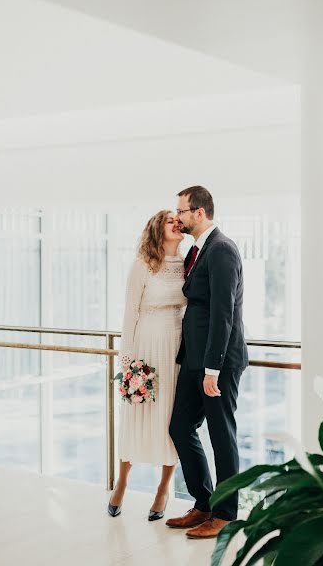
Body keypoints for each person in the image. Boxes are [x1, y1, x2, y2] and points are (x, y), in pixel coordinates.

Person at [166, 185, 248, 539]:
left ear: (200, 212)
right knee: (180, 426)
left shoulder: (222, 249)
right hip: (195, 359)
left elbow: (223, 313)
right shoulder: (198, 250)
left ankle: (225, 514)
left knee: (221, 435)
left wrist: (212, 368)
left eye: (182, 211)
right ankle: (203, 501)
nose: (178, 217)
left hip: (218, 363)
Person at [108, 210, 186, 521]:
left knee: (172, 419)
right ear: (157, 228)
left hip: (177, 347)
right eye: (171, 220)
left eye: (178, 220)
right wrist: (127, 364)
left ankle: (163, 489)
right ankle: (122, 482)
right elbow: (130, 314)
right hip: (147, 347)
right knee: (137, 414)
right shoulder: (142, 264)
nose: (177, 223)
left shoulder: (188, 263)